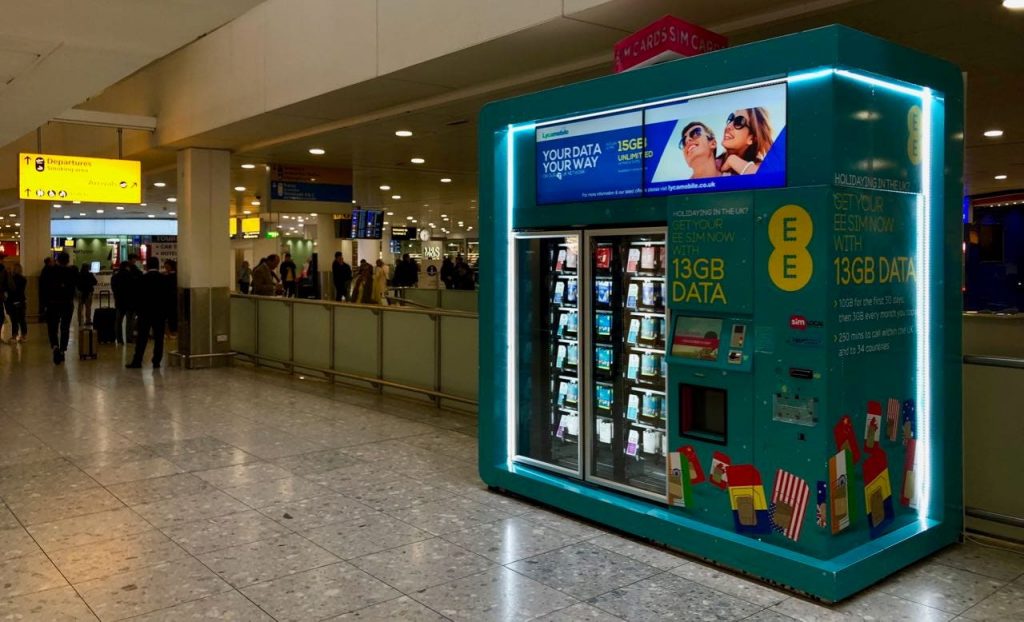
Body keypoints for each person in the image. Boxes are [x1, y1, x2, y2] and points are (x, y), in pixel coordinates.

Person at [126, 256, 174, 369]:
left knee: (142, 338)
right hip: (159, 313)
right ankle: (156, 361)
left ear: (147, 266)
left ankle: (137, 361)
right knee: (159, 338)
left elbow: (137, 297)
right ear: (158, 266)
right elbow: (168, 298)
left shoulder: (142, 279)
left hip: (145, 313)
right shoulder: (164, 279)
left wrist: (138, 311)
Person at [39, 251, 77, 364]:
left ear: (57, 260)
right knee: (65, 327)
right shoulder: (71, 272)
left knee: (52, 327)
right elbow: (74, 287)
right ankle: (62, 350)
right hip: (67, 303)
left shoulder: (49, 271)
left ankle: (55, 346)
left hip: (52, 303)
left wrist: (43, 304)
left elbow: (43, 288)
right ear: (68, 261)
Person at [716, 108, 774, 176]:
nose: (728, 126)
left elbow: (767, 180)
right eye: (731, 119)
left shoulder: (760, 168)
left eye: (739, 122)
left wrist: (733, 160)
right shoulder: (712, 163)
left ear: (751, 139)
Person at [111, 260, 139, 345]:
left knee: (118, 321)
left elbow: (114, 289)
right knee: (129, 321)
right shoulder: (131, 276)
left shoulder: (115, 277)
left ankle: (119, 340)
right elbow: (134, 290)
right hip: (130, 302)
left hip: (119, 302)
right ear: (127, 267)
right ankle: (129, 338)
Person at [5, 263, 27, 342]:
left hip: (12, 301)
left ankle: (14, 336)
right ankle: (24, 336)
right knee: (22, 319)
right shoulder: (23, 279)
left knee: (14, 320)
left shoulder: (11, 279)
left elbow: (10, 289)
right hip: (21, 301)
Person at [163, 259, 178, 335]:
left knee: (172, 316)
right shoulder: (167, 276)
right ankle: (171, 331)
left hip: (171, 299)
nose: (166, 268)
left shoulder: (172, 276)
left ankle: (173, 330)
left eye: (167, 267)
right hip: (169, 299)